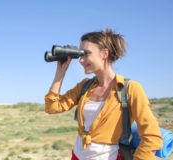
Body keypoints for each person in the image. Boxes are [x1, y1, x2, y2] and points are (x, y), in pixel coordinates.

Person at [44, 28, 163, 160]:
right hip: (77, 155)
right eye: (80, 55)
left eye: (86, 54)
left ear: (104, 54)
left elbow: (152, 135)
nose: (81, 60)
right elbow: (52, 107)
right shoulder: (85, 86)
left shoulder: (130, 88)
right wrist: (60, 73)